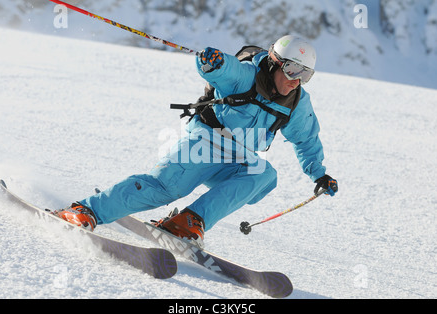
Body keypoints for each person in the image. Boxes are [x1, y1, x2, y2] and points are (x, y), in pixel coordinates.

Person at [52, 35, 338, 248]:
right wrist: (211, 63)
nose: (297, 80)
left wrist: (319, 173)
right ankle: (85, 210)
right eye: (292, 70)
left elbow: (306, 139)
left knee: (265, 175)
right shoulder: (246, 76)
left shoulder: (297, 102)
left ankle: (187, 222)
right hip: (205, 142)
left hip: (237, 157)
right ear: (274, 63)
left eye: (306, 74)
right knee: (164, 188)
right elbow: (224, 69)